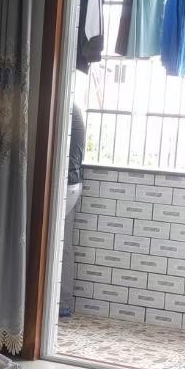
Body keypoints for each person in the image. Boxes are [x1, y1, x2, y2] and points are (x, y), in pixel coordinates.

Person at [59, 33, 104, 317]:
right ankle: (63, 303)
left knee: (57, 244)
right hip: (73, 184)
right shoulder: (73, 108)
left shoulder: (63, 109)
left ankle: (60, 302)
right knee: (64, 244)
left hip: (65, 185)